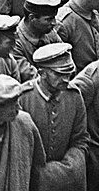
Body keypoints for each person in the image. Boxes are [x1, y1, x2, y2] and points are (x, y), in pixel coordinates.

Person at [18, 43, 88, 190]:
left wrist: (70, 166)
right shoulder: (23, 98)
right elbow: (20, 146)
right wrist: (40, 173)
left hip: (67, 179)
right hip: (33, 180)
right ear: (42, 73)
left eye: (68, 74)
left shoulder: (74, 96)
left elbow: (80, 139)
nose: (66, 79)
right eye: (59, 74)